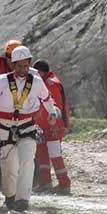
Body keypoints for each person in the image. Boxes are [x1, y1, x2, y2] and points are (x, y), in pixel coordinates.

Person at [0, 46, 61, 211]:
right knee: (9, 167)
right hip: (5, 127)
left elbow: (47, 100)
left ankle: (23, 199)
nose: (22, 70)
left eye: (25, 66)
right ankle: (10, 196)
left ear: (29, 64)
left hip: (27, 127)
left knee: (27, 162)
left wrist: (52, 113)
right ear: (12, 64)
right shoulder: (1, 81)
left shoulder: (37, 82)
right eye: (19, 66)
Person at [32, 60, 72, 194]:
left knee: (54, 153)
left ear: (40, 71)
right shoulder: (45, 82)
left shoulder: (51, 83)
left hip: (54, 125)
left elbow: (56, 106)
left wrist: (56, 123)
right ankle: (45, 182)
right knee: (41, 153)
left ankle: (64, 183)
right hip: (43, 125)